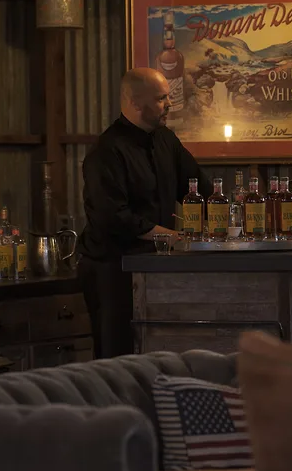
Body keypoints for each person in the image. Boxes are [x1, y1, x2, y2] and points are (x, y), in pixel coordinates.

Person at [79, 68, 208, 358]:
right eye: (161, 99)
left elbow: (198, 189)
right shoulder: (106, 151)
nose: (170, 104)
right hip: (114, 270)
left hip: (157, 267)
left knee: (159, 352)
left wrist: (230, 217)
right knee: (119, 357)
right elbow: (113, 217)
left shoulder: (166, 140)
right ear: (136, 102)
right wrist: (173, 236)